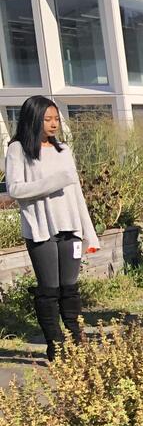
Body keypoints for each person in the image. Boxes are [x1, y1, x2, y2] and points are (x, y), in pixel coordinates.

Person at [3, 96, 99, 360]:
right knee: (49, 289)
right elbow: (15, 190)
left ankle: (76, 343)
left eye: (56, 118)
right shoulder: (18, 149)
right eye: (48, 119)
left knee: (70, 288)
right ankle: (55, 346)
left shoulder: (63, 150)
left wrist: (89, 232)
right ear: (33, 119)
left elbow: (76, 193)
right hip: (41, 229)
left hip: (71, 227)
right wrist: (55, 181)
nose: (54, 124)